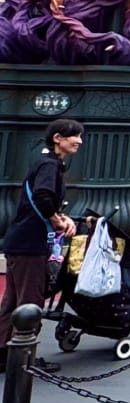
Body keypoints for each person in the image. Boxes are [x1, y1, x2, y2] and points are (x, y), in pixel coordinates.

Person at [1, 119, 83, 373]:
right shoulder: (49, 165)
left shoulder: (45, 162)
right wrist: (58, 221)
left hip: (21, 241)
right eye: (74, 136)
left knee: (12, 302)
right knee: (30, 301)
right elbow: (43, 195)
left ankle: (4, 354)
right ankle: (24, 358)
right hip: (30, 243)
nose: (79, 141)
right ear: (57, 138)